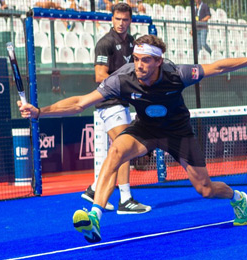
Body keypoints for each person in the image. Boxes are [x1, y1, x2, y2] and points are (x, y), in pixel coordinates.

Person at [18, 34, 247, 243]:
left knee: (205, 189)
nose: (139, 64)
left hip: (177, 132)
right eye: (136, 58)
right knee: (116, 151)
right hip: (145, 129)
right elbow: (80, 103)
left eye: (145, 60)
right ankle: (95, 216)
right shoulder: (123, 78)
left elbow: (219, 67)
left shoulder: (177, 74)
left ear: (158, 61)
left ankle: (238, 198)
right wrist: (40, 112)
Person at [83, 2, 151, 214]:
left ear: (131, 21)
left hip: (122, 103)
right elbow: (99, 76)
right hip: (109, 102)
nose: (121, 23)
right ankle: (125, 199)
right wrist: (125, 85)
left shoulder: (133, 43)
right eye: (117, 19)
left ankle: (95, 190)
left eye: (125, 20)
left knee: (118, 150)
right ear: (112, 20)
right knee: (125, 147)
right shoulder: (105, 43)